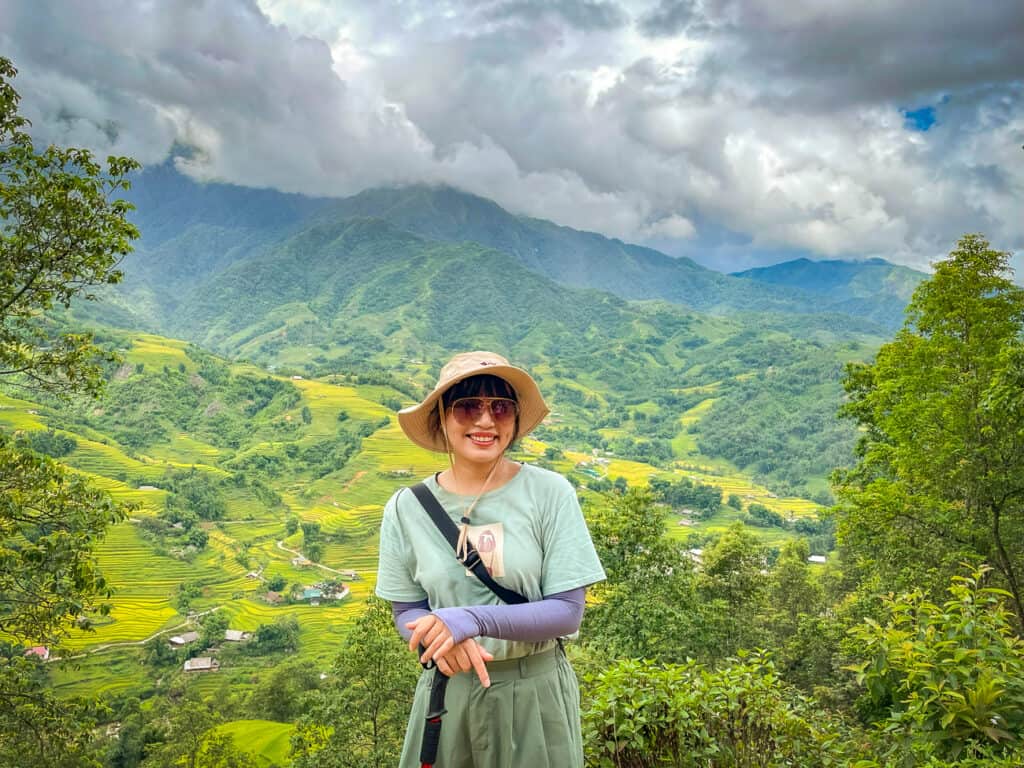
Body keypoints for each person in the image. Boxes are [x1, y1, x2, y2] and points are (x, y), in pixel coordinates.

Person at [375, 351, 606, 768]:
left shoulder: (550, 494)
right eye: (467, 406)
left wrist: (473, 620)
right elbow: (406, 608)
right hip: (448, 692)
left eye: (500, 407)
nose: (485, 421)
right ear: (442, 418)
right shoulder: (406, 507)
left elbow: (568, 612)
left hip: (534, 689)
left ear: (515, 420)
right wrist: (435, 641)